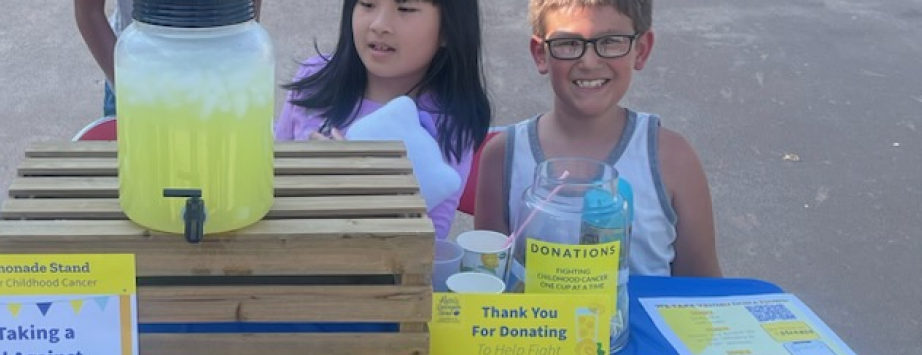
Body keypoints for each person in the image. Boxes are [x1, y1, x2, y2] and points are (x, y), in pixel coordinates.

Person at [473, 0, 721, 277]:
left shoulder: (672, 158)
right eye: (568, 43)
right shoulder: (502, 157)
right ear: (540, 54)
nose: (589, 63)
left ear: (641, 50)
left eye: (611, 41)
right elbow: (488, 282)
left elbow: (704, 289)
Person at [275, 0, 492, 240]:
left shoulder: (448, 121)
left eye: (405, 9)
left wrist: (354, 187)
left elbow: (428, 242)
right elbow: (270, 175)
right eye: (367, 4)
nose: (379, 25)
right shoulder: (314, 79)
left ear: (449, 30)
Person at [74, 0, 263, 118]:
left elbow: (249, 10)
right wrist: (129, 90)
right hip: (138, 78)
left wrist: (243, 57)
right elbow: (89, 12)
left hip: (226, 79)